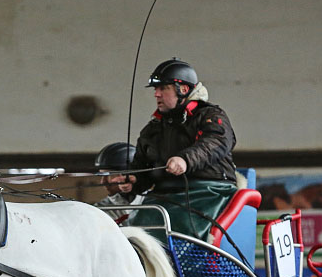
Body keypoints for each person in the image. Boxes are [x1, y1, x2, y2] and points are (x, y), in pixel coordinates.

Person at [102, 58, 238, 239]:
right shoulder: (153, 129)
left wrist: (185, 160)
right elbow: (143, 167)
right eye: (155, 89)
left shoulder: (211, 116)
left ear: (183, 89)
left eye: (163, 88)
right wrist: (134, 180)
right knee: (135, 233)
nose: (156, 94)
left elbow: (215, 143)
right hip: (162, 198)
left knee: (178, 232)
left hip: (208, 194)